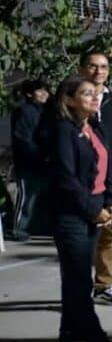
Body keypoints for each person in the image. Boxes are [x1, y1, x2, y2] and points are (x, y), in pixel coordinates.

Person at [46, 76, 112, 342]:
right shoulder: (63, 131)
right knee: (79, 278)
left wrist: (109, 202)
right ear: (69, 100)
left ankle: (69, 329)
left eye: (95, 93)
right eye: (86, 93)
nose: (94, 97)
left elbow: (106, 169)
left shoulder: (95, 129)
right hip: (72, 213)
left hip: (96, 208)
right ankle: (93, 333)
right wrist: (92, 209)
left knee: (75, 275)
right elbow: (66, 178)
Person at [80, 53, 112, 307]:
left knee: (110, 231)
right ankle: (77, 288)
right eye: (93, 66)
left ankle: (103, 285)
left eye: (103, 67)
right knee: (82, 233)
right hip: (82, 178)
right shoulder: (71, 100)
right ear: (82, 69)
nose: (98, 71)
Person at [10, 79, 49, 240]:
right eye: (40, 91)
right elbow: (22, 139)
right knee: (27, 197)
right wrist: (38, 154)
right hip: (28, 163)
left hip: (43, 161)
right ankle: (19, 228)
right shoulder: (24, 111)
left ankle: (36, 227)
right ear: (29, 94)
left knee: (39, 197)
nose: (44, 94)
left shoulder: (45, 111)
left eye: (45, 90)